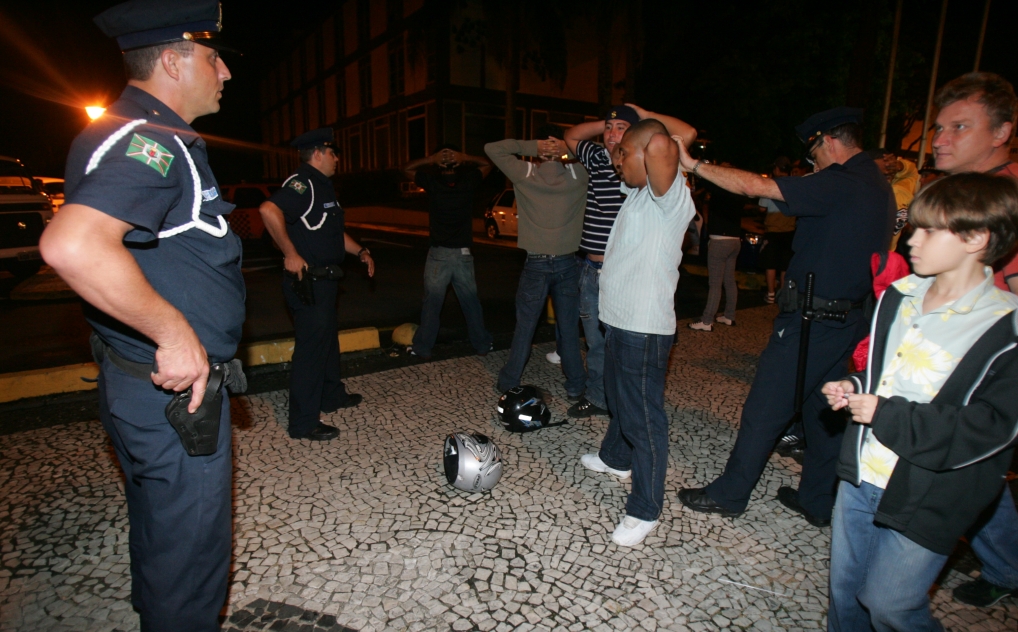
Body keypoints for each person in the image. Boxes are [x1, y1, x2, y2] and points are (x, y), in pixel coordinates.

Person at [39, 2, 242, 628]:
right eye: (213, 56)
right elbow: (72, 245)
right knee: (193, 555)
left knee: (163, 526)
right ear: (175, 61)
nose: (226, 72)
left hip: (132, 380)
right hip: (171, 396)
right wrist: (175, 331)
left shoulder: (114, 130)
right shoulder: (154, 141)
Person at [675, 107, 895, 527]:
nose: (812, 163)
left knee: (766, 407)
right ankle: (816, 500)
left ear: (827, 141)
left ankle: (730, 494)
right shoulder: (875, 183)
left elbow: (757, 186)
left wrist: (694, 165)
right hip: (843, 318)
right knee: (821, 412)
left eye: (813, 153)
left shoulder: (842, 180)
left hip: (813, 321)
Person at [825, 173, 1018, 631]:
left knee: (891, 605)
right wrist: (854, 386)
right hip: (863, 472)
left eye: (930, 229)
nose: (912, 239)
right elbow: (887, 372)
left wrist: (885, 413)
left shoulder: (1005, 326)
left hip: (930, 488)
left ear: (976, 237)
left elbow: (992, 428)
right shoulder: (901, 295)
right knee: (845, 593)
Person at [578, 119, 695, 546]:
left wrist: (639, 133)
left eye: (623, 153)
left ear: (647, 153)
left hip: (643, 329)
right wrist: (628, 146)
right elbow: (647, 149)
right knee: (617, 395)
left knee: (644, 418)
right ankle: (615, 457)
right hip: (618, 320)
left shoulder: (671, 199)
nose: (616, 161)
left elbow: (665, 140)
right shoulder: (638, 192)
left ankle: (645, 509)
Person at [930, 71, 1018, 608]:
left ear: (1002, 131)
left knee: (966, 464)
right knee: (965, 463)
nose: (940, 139)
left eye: (959, 127)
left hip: (991, 363)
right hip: (954, 355)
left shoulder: (1007, 198)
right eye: (940, 127)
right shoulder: (968, 192)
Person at [564, 104, 697, 416]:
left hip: (633, 279)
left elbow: (683, 135)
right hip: (593, 269)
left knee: (628, 352)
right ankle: (602, 399)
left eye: (622, 127)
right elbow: (571, 136)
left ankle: (625, 409)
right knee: (598, 344)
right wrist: (611, 130)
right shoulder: (602, 160)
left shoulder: (651, 178)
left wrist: (641, 114)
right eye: (609, 128)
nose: (612, 134)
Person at [259, 127, 374, 441]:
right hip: (308, 281)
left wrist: (361, 251)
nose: (337, 159)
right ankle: (303, 422)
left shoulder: (324, 187)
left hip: (327, 281)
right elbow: (268, 210)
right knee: (311, 351)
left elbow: (333, 234)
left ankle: (331, 394)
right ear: (319, 153)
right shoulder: (303, 184)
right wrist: (290, 253)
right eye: (333, 152)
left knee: (326, 341)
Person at [486, 124, 588, 399]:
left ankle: (508, 382)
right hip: (568, 262)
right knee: (568, 328)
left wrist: (533, 147)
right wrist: (567, 147)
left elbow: (491, 149)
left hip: (536, 263)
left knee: (525, 327)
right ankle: (577, 384)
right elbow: (605, 153)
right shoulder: (579, 173)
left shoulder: (525, 172)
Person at [402, 144, 493, 360]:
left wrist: (430, 159)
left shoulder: (433, 183)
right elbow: (488, 163)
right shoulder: (468, 182)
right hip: (462, 253)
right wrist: (465, 156)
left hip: (439, 254)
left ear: (440, 167)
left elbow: (405, 169)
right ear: (458, 166)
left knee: (432, 303)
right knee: (470, 301)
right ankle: (481, 344)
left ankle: (423, 347)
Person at [688, 169, 753, 331]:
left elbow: (704, 182)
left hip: (719, 241)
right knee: (729, 280)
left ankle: (707, 320)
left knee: (715, 283)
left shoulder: (719, 189)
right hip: (735, 241)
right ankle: (729, 316)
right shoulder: (738, 193)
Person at [759, 157, 796, 305]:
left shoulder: (770, 185)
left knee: (771, 264)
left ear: (776, 169)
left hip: (773, 231)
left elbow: (762, 207)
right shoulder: (795, 185)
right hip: (790, 230)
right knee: (785, 265)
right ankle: (783, 294)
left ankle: (771, 294)